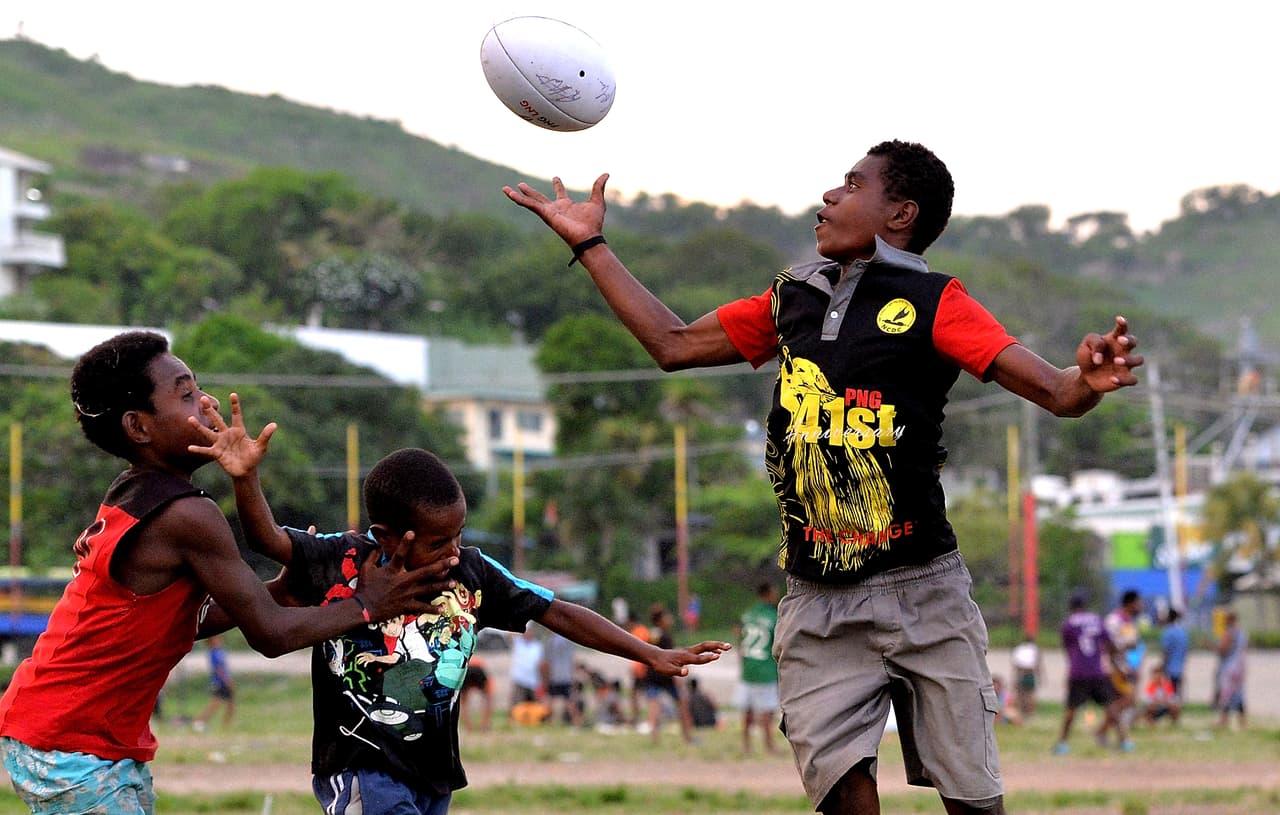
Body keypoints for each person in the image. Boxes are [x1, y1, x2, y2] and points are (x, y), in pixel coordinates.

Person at [505, 140, 1142, 814]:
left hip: (922, 588)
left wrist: (1088, 382)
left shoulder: (937, 302)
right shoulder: (794, 298)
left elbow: (1056, 389)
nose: (831, 196)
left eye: (851, 184)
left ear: (900, 212)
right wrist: (592, 245)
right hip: (816, 598)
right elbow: (673, 343)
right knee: (841, 792)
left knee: (973, 798)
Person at [0, 331, 449, 815]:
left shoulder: (136, 494)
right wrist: (369, 606)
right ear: (139, 427)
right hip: (71, 742)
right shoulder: (187, 516)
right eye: (186, 393)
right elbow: (270, 637)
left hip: (66, 731)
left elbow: (179, 622)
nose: (207, 401)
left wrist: (276, 589)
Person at [220, 441, 730, 814]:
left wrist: (650, 655)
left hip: (434, 773)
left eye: (459, 535)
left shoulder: (473, 571)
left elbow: (556, 610)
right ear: (387, 536)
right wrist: (246, 478)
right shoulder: (347, 560)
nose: (453, 551)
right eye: (439, 540)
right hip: (361, 765)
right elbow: (268, 540)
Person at [1055, 592, 1130, 754]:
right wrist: (1118, 662)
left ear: (1071, 607)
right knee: (1110, 706)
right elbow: (1110, 644)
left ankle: (1062, 744)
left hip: (1078, 672)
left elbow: (1068, 650)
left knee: (1071, 709)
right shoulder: (1097, 620)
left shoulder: (1068, 624)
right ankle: (1124, 741)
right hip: (1097, 671)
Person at [736, 581, 782, 755]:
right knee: (767, 711)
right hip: (766, 668)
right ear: (769, 594)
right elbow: (777, 645)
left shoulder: (747, 615)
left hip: (748, 668)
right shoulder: (774, 616)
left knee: (746, 710)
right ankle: (769, 746)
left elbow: (740, 641)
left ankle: (746, 746)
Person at [642, 605, 698, 744]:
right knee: (682, 705)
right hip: (665, 676)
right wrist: (678, 678)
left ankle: (654, 740)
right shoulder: (665, 636)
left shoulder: (651, 634)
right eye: (667, 616)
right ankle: (688, 737)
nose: (670, 618)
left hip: (651, 675)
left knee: (653, 707)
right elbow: (670, 659)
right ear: (661, 620)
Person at [1103, 589, 1144, 740]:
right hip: (1114, 668)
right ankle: (1102, 731)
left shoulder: (1128, 621)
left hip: (1124, 667)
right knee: (1128, 699)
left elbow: (1131, 647)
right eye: (1139, 603)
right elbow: (1109, 646)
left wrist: (1133, 666)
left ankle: (1119, 738)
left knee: (1120, 703)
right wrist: (1118, 666)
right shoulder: (1114, 620)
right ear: (1130, 603)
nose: (1141, 606)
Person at [192, 635, 235, 732]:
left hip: (223, 681)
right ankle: (199, 721)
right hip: (220, 682)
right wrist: (227, 681)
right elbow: (219, 669)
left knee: (230, 704)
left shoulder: (219, 652)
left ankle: (226, 725)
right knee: (216, 704)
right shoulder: (215, 653)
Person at [1214, 611, 1247, 730]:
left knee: (1226, 694)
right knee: (1239, 694)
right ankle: (1243, 721)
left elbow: (1224, 649)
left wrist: (1212, 646)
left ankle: (1224, 720)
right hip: (1240, 667)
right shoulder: (1242, 633)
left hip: (1229, 667)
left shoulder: (1229, 633)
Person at [543, 631, 583, 726]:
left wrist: (546, 678)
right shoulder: (568, 640)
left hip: (554, 676)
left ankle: (547, 722)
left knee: (550, 700)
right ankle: (577, 722)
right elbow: (572, 659)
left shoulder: (551, 641)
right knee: (569, 701)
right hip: (566, 676)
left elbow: (547, 661)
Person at [508, 623, 545, 710]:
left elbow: (540, 663)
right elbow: (508, 634)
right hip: (519, 679)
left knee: (534, 705)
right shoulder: (518, 642)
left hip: (533, 681)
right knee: (517, 705)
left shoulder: (537, 646)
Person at [1159, 607, 1190, 702]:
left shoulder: (1168, 632)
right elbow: (1185, 651)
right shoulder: (1182, 632)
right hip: (1180, 667)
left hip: (1169, 668)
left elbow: (1166, 651)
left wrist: (1162, 666)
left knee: (1169, 694)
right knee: (1177, 693)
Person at [1009, 637, 1042, 722]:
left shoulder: (1018, 649)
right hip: (1030, 672)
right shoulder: (1034, 649)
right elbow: (1038, 664)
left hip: (1021, 672)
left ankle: (1021, 714)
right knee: (1030, 695)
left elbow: (1015, 665)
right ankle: (1029, 714)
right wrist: (1040, 677)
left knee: (1020, 695)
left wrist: (1013, 679)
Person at [1140, 662, 1179, 726]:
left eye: (1159, 674)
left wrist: (1164, 702)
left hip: (1164, 706)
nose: (1158, 677)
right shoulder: (1151, 686)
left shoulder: (1166, 685)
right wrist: (1159, 701)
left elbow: (1172, 697)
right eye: (1156, 675)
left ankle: (1174, 722)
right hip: (1155, 707)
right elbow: (1148, 700)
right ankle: (1151, 721)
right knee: (1150, 707)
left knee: (1175, 706)